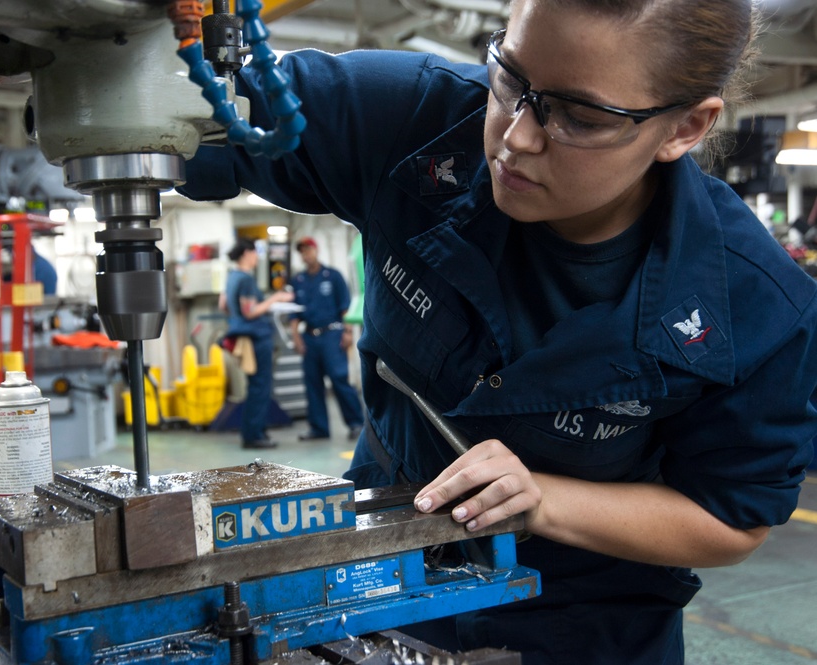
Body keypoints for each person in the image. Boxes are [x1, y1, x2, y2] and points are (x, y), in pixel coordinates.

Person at [179, 0, 817, 662]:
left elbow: (728, 519)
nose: (515, 137)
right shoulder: (411, 123)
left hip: (582, 622)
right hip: (377, 575)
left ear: (684, 126)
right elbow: (188, 107)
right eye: (510, 79)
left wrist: (543, 500)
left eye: (579, 117)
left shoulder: (754, 304)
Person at [289, 236, 365, 441]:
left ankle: (356, 423)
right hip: (310, 337)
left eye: (308, 250)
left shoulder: (333, 276)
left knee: (339, 378)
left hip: (332, 334)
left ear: (316, 250)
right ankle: (319, 428)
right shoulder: (298, 281)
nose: (306, 254)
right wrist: (296, 337)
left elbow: (346, 307)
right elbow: (294, 314)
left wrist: (348, 332)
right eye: (302, 252)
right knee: (312, 382)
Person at [221, 237, 295, 449]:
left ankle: (255, 430)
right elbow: (250, 311)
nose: (257, 258)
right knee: (260, 386)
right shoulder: (245, 279)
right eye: (255, 254)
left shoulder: (232, 277)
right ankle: (254, 435)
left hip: (243, 334)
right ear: (247, 253)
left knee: (255, 385)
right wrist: (276, 299)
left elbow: (224, 304)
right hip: (256, 337)